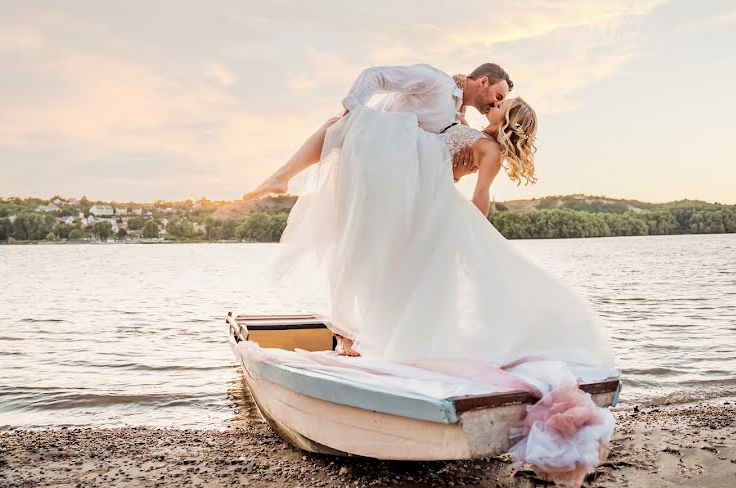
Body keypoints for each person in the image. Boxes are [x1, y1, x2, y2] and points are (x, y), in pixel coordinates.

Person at [262, 92, 615, 368]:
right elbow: (447, 164)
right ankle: (355, 332)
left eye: (501, 104)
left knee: (381, 248)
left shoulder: (491, 150)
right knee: (374, 244)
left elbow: (481, 196)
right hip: (414, 178)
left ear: (508, 118)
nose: (494, 104)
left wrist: (470, 233)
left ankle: (356, 334)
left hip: (423, 188)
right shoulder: (476, 134)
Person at [242, 63, 513, 203]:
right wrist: (353, 113)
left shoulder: (457, 117)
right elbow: (376, 75)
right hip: (378, 145)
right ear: (483, 81)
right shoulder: (436, 81)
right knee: (333, 125)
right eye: (498, 95)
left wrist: (456, 174)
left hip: (396, 180)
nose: (495, 102)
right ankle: (281, 178)